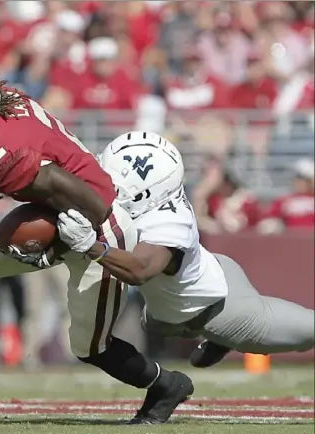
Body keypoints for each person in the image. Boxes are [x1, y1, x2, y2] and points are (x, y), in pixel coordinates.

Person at [0, 53, 191, 425]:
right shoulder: (2, 101)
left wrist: (68, 241)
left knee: (91, 347)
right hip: (61, 211)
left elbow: (66, 187)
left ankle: (167, 386)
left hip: (98, 223)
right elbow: (39, 160)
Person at [56, 131, 314, 419]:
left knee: (309, 331)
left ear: (144, 193)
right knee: (155, 322)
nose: (107, 189)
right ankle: (216, 340)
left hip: (225, 308)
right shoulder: (151, 196)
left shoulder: (168, 222)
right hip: (204, 277)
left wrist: (89, 245)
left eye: (117, 186)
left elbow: (139, 271)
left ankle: (224, 338)